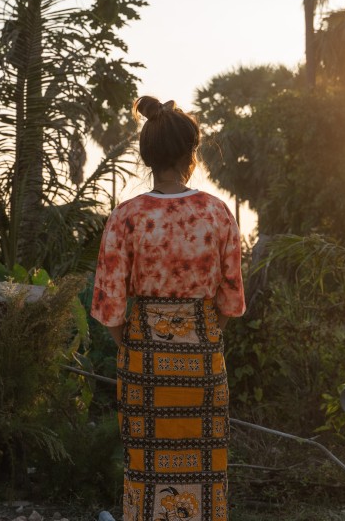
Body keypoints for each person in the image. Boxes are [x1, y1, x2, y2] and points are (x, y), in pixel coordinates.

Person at [91, 96, 246, 521]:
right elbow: (230, 302)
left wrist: (136, 345)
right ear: (190, 154)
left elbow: (110, 306)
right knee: (206, 473)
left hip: (144, 359)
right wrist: (201, 337)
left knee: (144, 471)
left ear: (147, 156)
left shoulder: (127, 216)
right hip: (202, 358)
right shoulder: (217, 214)